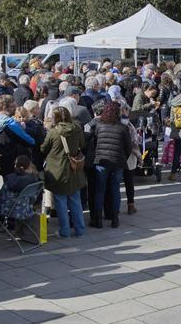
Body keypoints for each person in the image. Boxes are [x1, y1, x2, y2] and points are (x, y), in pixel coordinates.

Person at [42, 107, 87, 238]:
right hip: (74, 168)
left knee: (60, 201)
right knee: (75, 199)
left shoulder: (53, 132)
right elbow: (82, 144)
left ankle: (65, 231)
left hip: (57, 170)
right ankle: (80, 229)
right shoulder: (77, 128)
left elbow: (44, 148)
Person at [89, 101, 133, 228]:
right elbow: (128, 147)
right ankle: (115, 218)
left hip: (101, 161)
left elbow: (94, 141)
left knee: (100, 190)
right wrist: (123, 157)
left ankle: (97, 220)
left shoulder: (99, 126)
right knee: (115, 190)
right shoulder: (123, 127)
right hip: (117, 162)